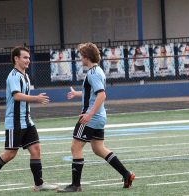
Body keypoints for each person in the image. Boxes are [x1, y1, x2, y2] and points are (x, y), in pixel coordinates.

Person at [0, 46, 58, 194]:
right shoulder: (13, 76)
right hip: (14, 122)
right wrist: (36, 98)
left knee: (36, 150)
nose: (28, 60)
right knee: (10, 154)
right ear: (16, 59)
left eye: (28, 57)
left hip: (27, 121)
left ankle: (39, 184)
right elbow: (16, 96)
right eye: (25, 57)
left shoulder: (25, 76)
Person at [57, 42, 135, 193]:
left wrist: (89, 114)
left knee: (75, 147)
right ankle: (126, 174)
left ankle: (75, 185)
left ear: (86, 57)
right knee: (99, 149)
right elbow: (93, 93)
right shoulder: (96, 71)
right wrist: (77, 94)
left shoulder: (93, 73)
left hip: (91, 117)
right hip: (99, 117)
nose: (80, 59)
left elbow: (101, 94)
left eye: (81, 56)